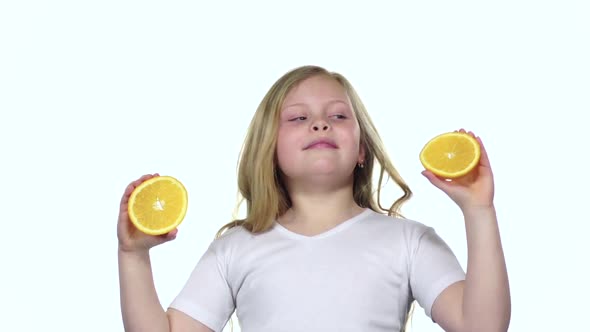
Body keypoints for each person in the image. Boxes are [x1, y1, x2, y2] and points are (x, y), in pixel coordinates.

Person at [117, 65, 511, 332]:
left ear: (361, 151)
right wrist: (133, 257)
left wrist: (479, 211)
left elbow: (482, 326)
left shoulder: (410, 242)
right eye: (297, 118)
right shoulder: (234, 249)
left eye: (339, 116)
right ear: (269, 149)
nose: (320, 123)